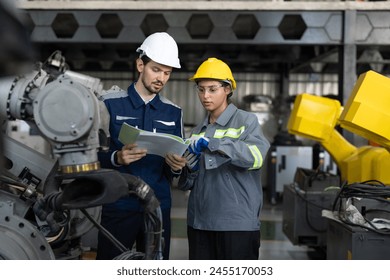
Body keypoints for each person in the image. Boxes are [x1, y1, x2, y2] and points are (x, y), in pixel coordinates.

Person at [166, 57, 270, 260]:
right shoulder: (197, 130)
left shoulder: (246, 121)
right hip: (199, 223)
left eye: (212, 89)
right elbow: (186, 185)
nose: (205, 96)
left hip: (236, 224)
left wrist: (214, 145)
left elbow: (255, 157)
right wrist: (185, 168)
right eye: (201, 89)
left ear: (228, 89)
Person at [96, 32, 184, 260]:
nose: (161, 78)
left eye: (167, 73)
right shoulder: (109, 105)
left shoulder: (173, 113)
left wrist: (177, 166)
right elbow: (91, 157)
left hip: (158, 207)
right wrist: (117, 158)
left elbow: (176, 167)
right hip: (118, 205)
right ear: (140, 65)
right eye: (156, 69)